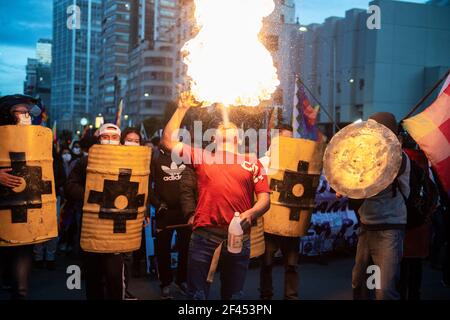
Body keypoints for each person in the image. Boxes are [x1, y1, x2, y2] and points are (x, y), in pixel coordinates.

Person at [161, 93, 271, 300]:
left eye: (232, 127)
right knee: (197, 296)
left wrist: (253, 212)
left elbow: (265, 199)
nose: (227, 125)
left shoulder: (252, 161)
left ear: (239, 137)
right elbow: (167, 141)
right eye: (221, 126)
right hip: (204, 238)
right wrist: (182, 108)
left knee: (234, 296)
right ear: (213, 136)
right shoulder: (202, 156)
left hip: (239, 238)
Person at [350, 112, 410, 300]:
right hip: (367, 227)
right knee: (361, 284)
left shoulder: (398, 157)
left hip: (389, 230)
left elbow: (378, 178)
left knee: (384, 291)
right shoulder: (367, 154)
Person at [65, 123, 126, 300]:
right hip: (92, 226)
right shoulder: (87, 160)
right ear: (98, 139)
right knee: (94, 277)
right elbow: (69, 186)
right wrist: (91, 196)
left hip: (117, 226)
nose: (110, 141)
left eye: (114, 138)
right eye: (105, 137)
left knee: (114, 276)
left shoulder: (129, 160)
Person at [0, 94, 46, 299]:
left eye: (28, 113)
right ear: (9, 115)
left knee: (21, 288)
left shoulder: (37, 141)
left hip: (23, 215)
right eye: (21, 112)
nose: (26, 116)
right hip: (1, 212)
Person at [258, 124, 302, 300]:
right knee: (267, 263)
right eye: (285, 139)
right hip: (269, 222)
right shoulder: (263, 163)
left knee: (292, 265)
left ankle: (291, 296)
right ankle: (265, 297)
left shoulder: (299, 163)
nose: (288, 143)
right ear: (275, 140)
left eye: (291, 139)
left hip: (291, 221)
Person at [149, 138, 191, 299]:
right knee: (162, 250)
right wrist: (156, 204)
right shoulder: (155, 157)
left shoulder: (185, 155)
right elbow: (147, 184)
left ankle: (182, 281)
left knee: (186, 248)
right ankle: (165, 283)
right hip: (163, 212)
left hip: (184, 211)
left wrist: (192, 207)